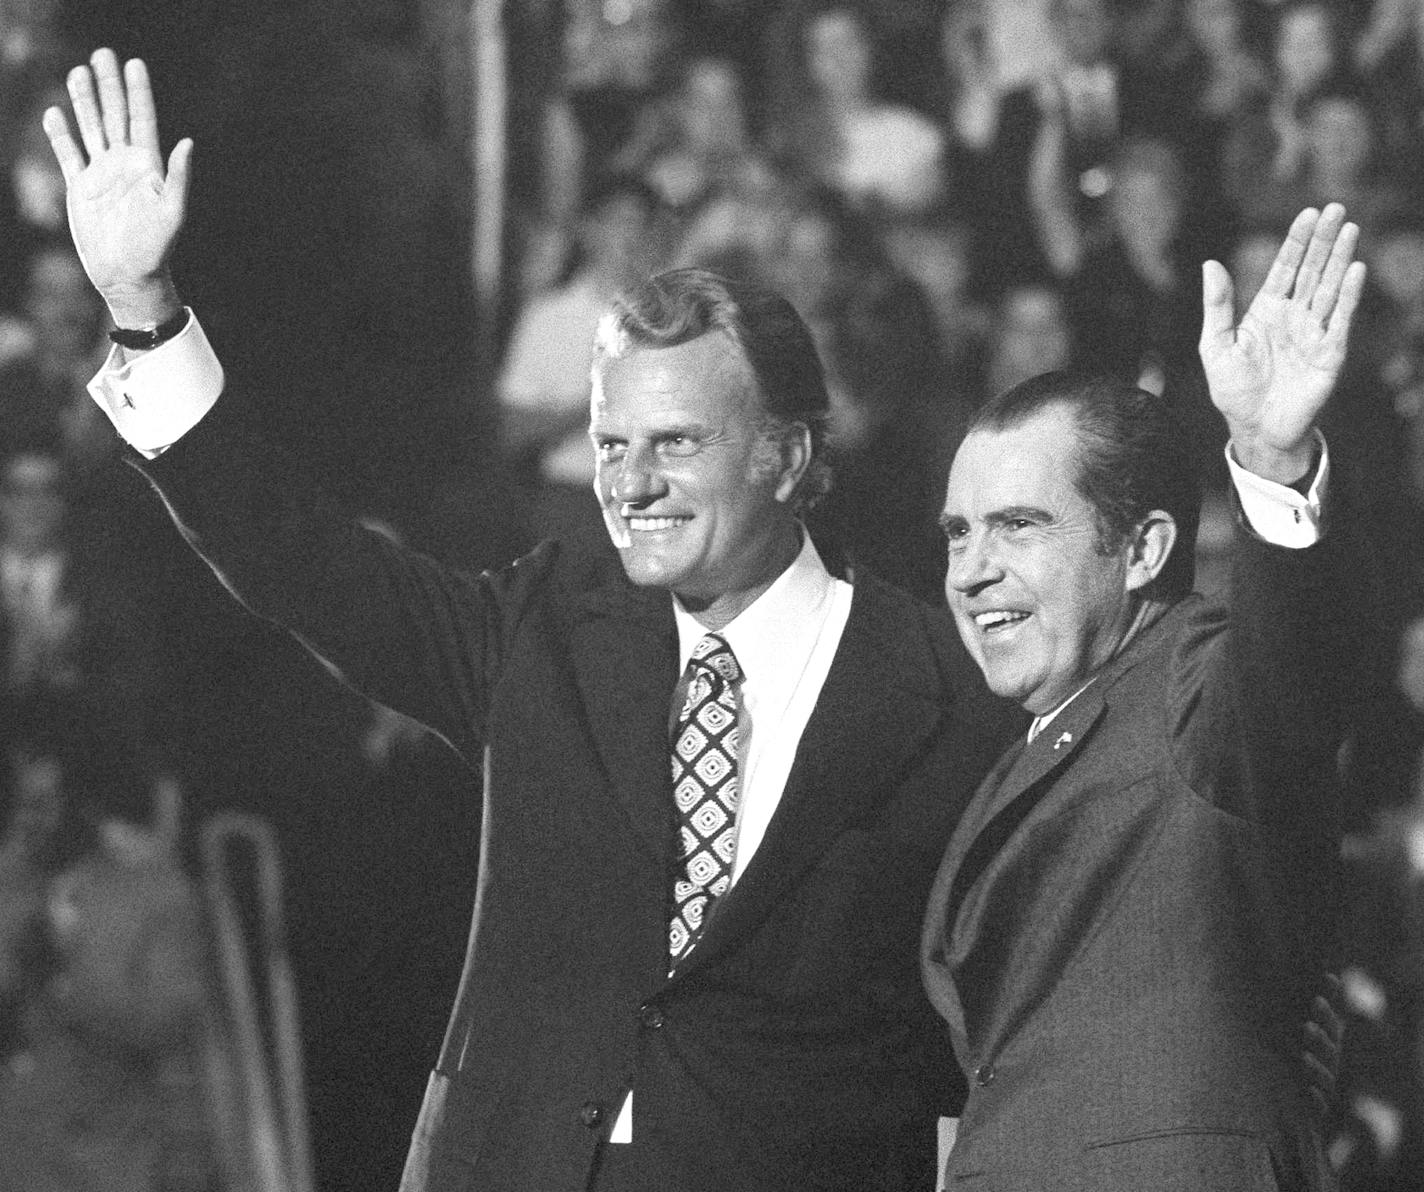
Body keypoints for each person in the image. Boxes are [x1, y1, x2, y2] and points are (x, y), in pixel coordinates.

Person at [43, 49, 1015, 1192]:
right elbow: (302, 562)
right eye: (611, 445)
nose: (631, 483)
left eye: (676, 444)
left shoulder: (938, 693)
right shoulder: (546, 628)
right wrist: (144, 313)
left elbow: (995, 1020)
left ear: (790, 455)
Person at [921, 203, 1375, 1189]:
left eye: (1017, 525)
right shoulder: (1017, 743)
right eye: (957, 533)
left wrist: (1267, 461)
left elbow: (1285, 671)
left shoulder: (1191, 689)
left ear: (1143, 551)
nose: (971, 569)